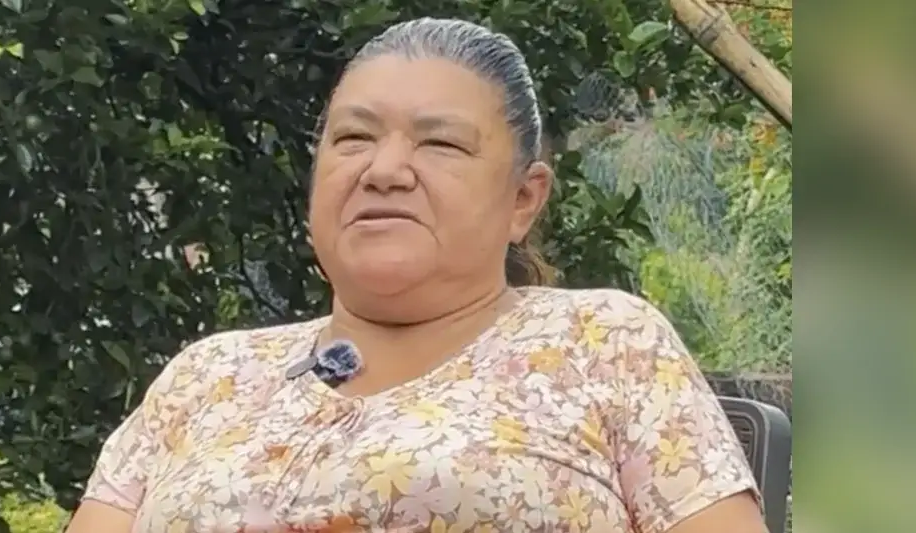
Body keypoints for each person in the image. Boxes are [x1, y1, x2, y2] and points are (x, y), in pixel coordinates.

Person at [67, 17, 766, 533]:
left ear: (523, 199)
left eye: (440, 143)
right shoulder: (206, 378)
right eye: (353, 137)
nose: (385, 170)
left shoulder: (605, 343)